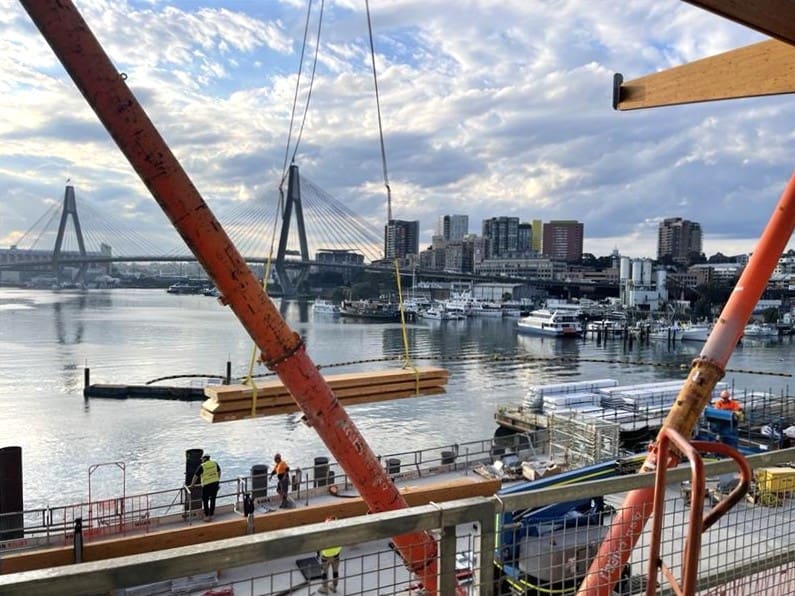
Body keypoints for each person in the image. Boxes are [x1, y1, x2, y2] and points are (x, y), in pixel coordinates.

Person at [191, 454, 221, 521]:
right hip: (215, 484)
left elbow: (196, 476)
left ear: (204, 459)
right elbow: (219, 471)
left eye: (202, 459)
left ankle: (207, 516)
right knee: (213, 499)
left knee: (205, 500)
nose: (201, 460)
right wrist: (217, 479)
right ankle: (212, 515)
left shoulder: (202, 466)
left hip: (207, 485)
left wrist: (192, 485)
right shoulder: (214, 463)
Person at [317, 516, 342, 594]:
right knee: (335, 571)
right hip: (336, 555)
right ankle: (334, 586)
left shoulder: (324, 535)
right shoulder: (340, 533)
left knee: (324, 572)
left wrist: (318, 553)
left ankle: (325, 588)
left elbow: (319, 545)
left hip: (326, 556)